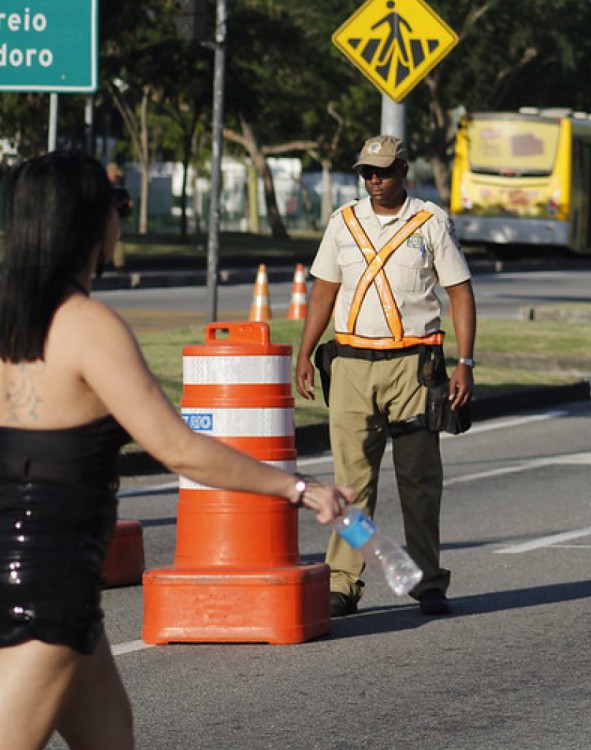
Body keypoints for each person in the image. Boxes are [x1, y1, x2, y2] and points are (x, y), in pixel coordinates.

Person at [0, 151, 351, 750]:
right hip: (47, 582)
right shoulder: (87, 325)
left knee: (111, 740)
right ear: (88, 222)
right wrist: (297, 487)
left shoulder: (12, 321)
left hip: (48, 575)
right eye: (119, 206)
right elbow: (179, 448)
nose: (122, 219)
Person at [295, 134, 477, 618]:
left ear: (403, 173)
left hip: (413, 366)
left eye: (385, 172)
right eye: (368, 174)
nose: (375, 181)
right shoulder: (344, 223)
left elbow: (460, 293)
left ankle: (427, 581)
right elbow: (323, 291)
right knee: (351, 482)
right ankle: (342, 580)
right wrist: (304, 352)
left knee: (419, 479)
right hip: (352, 364)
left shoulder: (430, 222)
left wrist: (466, 362)